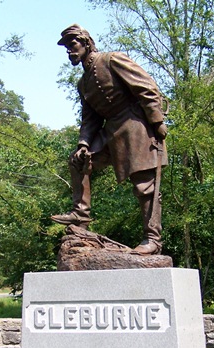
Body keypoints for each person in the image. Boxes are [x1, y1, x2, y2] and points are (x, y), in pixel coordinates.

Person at [51, 24, 168, 255]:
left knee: (145, 186)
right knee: (79, 161)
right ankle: (81, 216)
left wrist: (157, 121)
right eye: (66, 47)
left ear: (85, 42)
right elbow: (90, 118)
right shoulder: (83, 83)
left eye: (72, 44)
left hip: (135, 124)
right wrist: (83, 143)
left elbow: (146, 87)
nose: (69, 51)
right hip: (110, 130)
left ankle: (152, 239)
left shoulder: (112, 59)